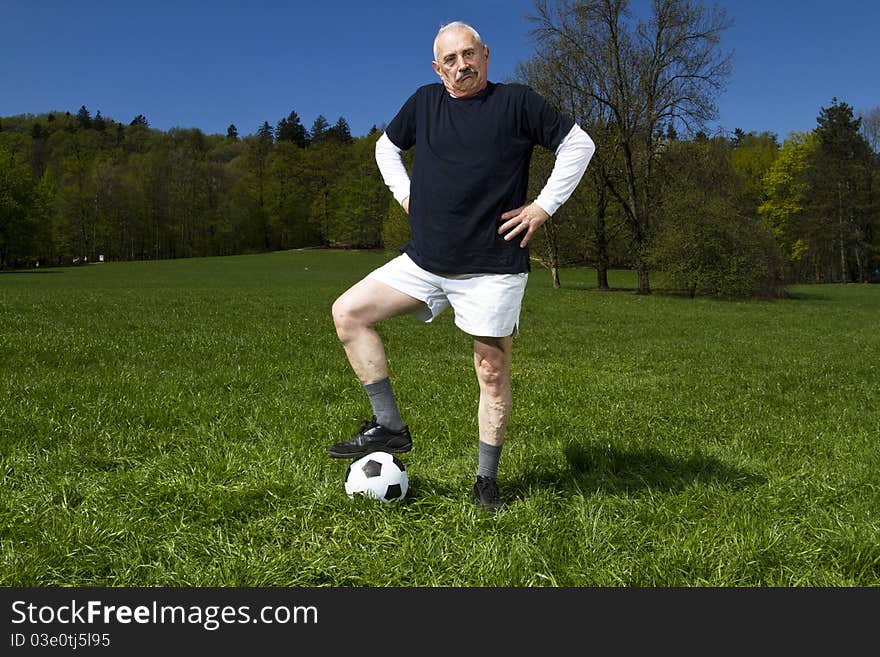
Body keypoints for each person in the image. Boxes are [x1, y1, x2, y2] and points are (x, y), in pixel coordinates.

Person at [328, 21, 595, 510]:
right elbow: (386, 147)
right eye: (450, 59)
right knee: (348, 312)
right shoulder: (425, 102)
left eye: (469, 55)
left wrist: (542, 207)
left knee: (491, 371)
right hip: (425, 260)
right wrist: (407, 194)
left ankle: (485, 481)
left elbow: (579, 145)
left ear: (486, 55)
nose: (461, 66)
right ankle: (389, 425)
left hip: (492, 266)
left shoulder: (516, 102)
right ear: (437, 67)